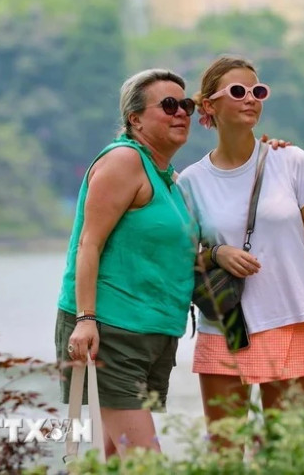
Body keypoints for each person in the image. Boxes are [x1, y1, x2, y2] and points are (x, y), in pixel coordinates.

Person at [177, 56, 304, 438]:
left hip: (290, 318)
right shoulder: (191, 181)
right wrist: (216, 254)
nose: (251, 99)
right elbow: (179, 258)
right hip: (226, 325)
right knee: (224, 450)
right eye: (238, 92)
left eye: (258, 92)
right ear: (209, 106)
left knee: (284, 447)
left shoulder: (292, 161)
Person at [55, 69, 198, 457]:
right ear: (134, 118)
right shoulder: (124, 161)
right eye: (168, 105)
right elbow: (89, 243)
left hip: (153, 333)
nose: (181, 112)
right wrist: (86, 319)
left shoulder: (168, 177)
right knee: (145, 460)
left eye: (186, 104)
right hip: (111, 331)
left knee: (121, 459)